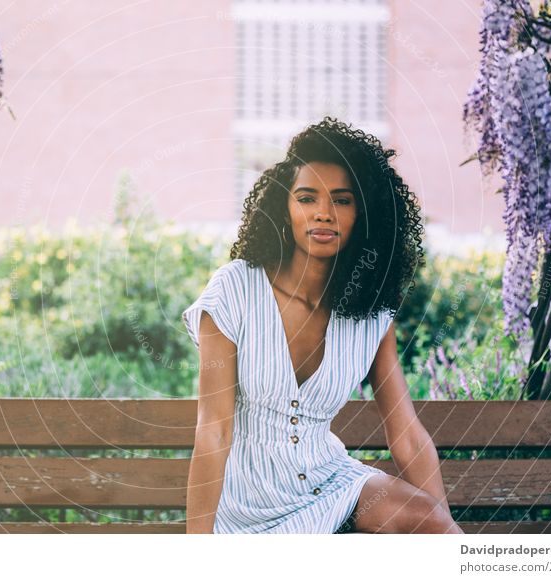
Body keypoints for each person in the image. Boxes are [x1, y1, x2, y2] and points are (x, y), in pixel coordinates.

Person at [182, 116, 464, 534]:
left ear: (364, 215)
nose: (323, 214)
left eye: (342, 200)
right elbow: (214, 430)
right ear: (286, 207)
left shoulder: (372, 315)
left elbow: (406, 438)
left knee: (430, 525)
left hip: (333, 488)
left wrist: (442, 534)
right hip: (247, 509)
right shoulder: (234, 291)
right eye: (307, 198)